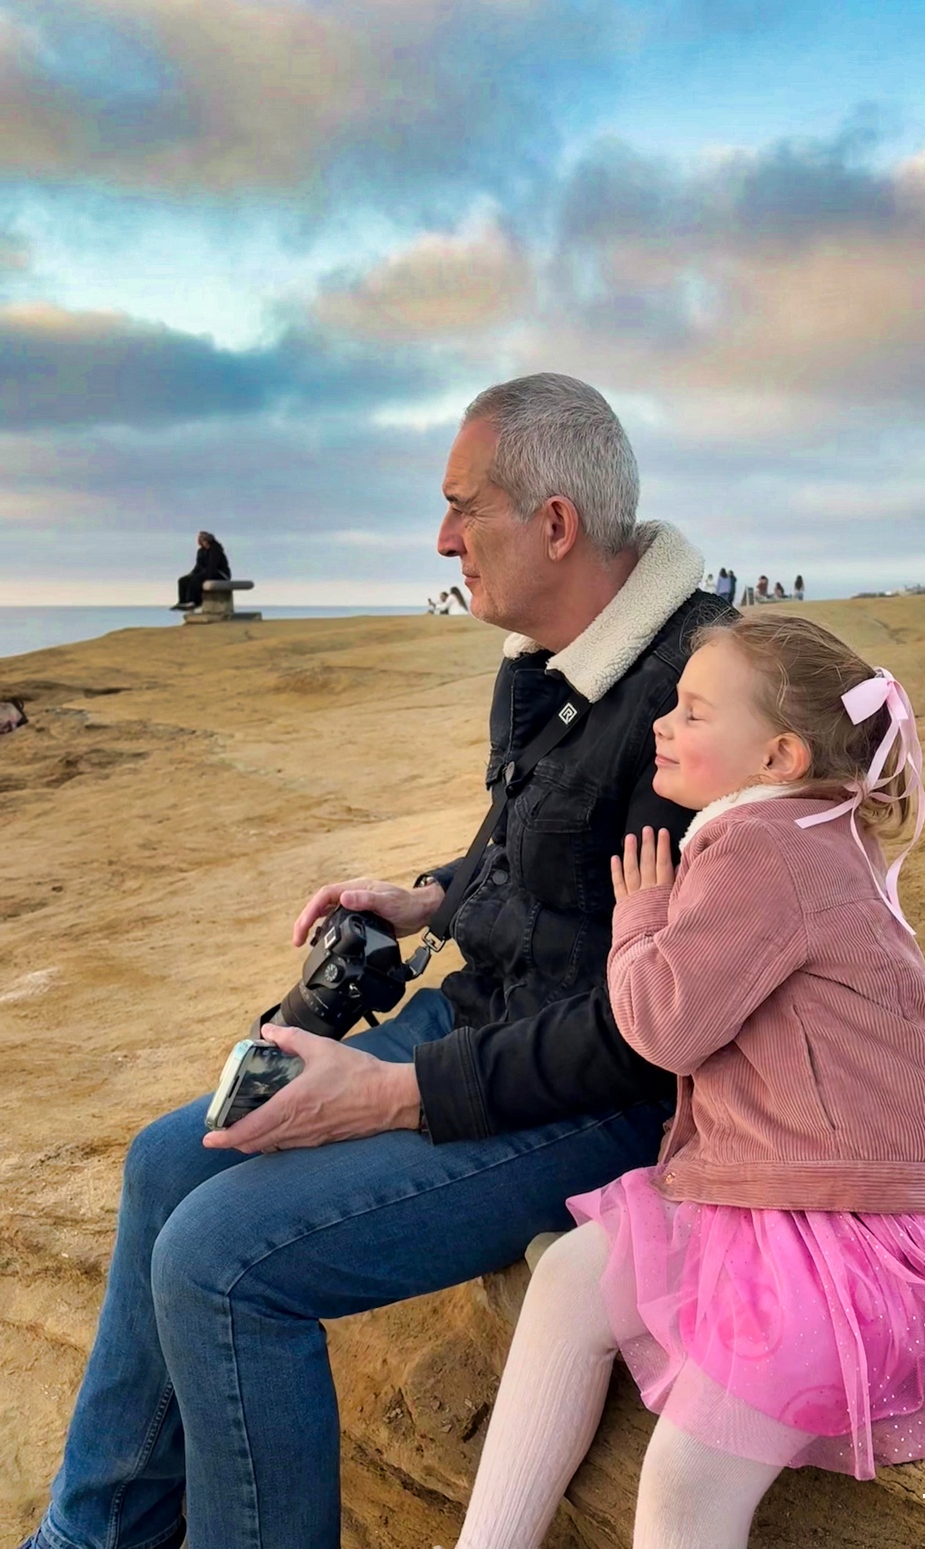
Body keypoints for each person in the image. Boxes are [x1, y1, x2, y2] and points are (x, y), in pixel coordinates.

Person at [20, 374, 730, 1549]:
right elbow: (536, 838)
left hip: (592, 1097)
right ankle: (92, 1537)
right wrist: (431, 895)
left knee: (218, 1262)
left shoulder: (698, 703)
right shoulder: (549, 658)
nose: (443, 538)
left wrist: (394, 1093)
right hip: (478, 1020)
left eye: (463, 506)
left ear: (555, 523)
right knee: (167, 1161)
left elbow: (655, 1023)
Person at [452, 612, 925, 1549]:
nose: (663, 723)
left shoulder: (759, 849)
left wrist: (642, 918)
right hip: (790, 1181)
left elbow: (666, 1027)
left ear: (779, 756)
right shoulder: (812, 825)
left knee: (689, 1477)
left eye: (694, 712)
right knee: (570, 1280)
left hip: (838, 1220)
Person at [171, 531, 230, 611]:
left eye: (203, 539)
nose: (201, 541)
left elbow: (212, 566)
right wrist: (191, 574)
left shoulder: (215, 550)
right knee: (183, 580)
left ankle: (194, 601)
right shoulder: (201, 551)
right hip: (206, 572)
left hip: (220, 573)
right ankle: (183, 602)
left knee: (196, 579)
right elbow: (198, 566)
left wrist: (202, 576)